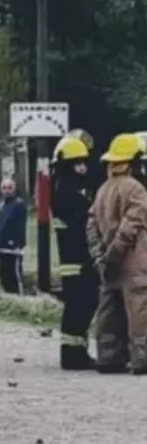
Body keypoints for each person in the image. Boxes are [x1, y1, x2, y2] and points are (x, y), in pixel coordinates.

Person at [86, 133, 147, 374]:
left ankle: (108, 356)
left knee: (109, 310)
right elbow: (131, 227)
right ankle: (142, 358)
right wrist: (113, 254)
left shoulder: (103, 189)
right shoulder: (137, 190)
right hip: (134, 264)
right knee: (139, 309)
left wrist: (100, 256)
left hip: (109, 265)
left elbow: (91, 224)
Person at [52, 133, 98, 370]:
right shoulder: (68, 193)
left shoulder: (68, 188)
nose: (83, 167)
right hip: (76, 260)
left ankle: (75, 352)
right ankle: (73, 355)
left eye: (84, 162)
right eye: (77, 163)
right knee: (80, 305)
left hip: (76, 258)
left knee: (81, 305)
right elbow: (81, 223)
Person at [0, 177, 28, 295]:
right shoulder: (2, 206)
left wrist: (17, 243)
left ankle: (19, 296)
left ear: (14, 189)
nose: (7, 191)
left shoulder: (19, 205)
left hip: (13, 246)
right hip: (1, 245)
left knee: (14, 273)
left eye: (9, 188)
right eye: (4, 188)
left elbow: (20, 226)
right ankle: (7, 295)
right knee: (3, 274)